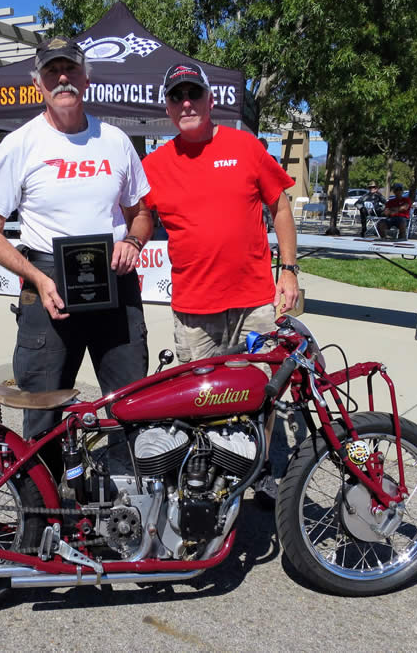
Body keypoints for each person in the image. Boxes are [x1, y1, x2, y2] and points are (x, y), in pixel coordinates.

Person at [0, 36, 152, 479]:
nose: (62, 79)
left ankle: (124, 509)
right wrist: (36, 277)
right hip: (48, 284)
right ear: (37, 84)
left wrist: (133, 241)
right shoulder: (19, 145)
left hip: (114, 280)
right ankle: (43, 515)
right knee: (42, 410)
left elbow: (142, 213)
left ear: (86, 79)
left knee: (128, 404)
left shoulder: (115, 141)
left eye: (70, 70)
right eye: (52, 72)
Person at [142, 63, 299, 504]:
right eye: (177, 96)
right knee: (198, 400)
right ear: (168, 108)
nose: (186, 102)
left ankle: (262, 465)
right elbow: (135, 215)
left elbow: (281, 208)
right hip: (194, 309)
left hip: (253, 305)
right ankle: (206, 478)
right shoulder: (153, 166)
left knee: (262, 395)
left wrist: (288, 269)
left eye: (194, 93)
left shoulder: (245, 147)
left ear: (211, 100)